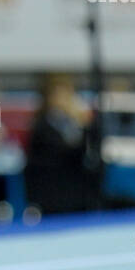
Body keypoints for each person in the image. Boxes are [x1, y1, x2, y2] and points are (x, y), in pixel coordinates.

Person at [25, 73, 99, 215]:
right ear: (49, 98)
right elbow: (70, 153)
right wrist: (84, 127)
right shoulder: (42, 126)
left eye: (67, 95)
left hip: (76, 186)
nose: (62, 100)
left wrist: (84, 124)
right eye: (58, 95)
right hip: (54, 190)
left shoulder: (72, 122)